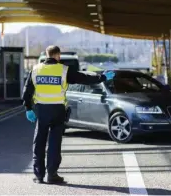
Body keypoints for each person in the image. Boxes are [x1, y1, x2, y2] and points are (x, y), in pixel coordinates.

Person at [22, 45, 115, 184]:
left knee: (39, 142)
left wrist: (28, 108)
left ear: (47, 55)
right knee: (54, 143)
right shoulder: (63, 70)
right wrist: (101, 77)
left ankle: (39, 175)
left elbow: (27, 91)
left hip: (41, 111)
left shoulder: (35, 69)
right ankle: (52, 174)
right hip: (57, 111)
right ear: (57, 55)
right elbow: (83, 78)